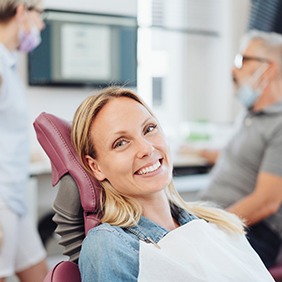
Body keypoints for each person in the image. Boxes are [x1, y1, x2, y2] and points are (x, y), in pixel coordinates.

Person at [71, 86, 275, 281]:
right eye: (121, 143)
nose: (147, 148)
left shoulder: (217, 224)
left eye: (149, 128)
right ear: (95, 167)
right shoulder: (110, 245)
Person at [196, 30, 282, 269]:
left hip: (253, 231)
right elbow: (242, 159)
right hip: (219, 219)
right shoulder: (250, 114)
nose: (234, 70)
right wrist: (201, 151)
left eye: (243, 60)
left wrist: (209, 227)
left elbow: (266, 202)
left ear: (269, 69)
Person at [0, 1, 48, 281]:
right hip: (1, 199)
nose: (41, 25)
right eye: (40, 15)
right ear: (21, 11)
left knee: (42, 275)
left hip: (13, 197)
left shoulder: (9, 64)